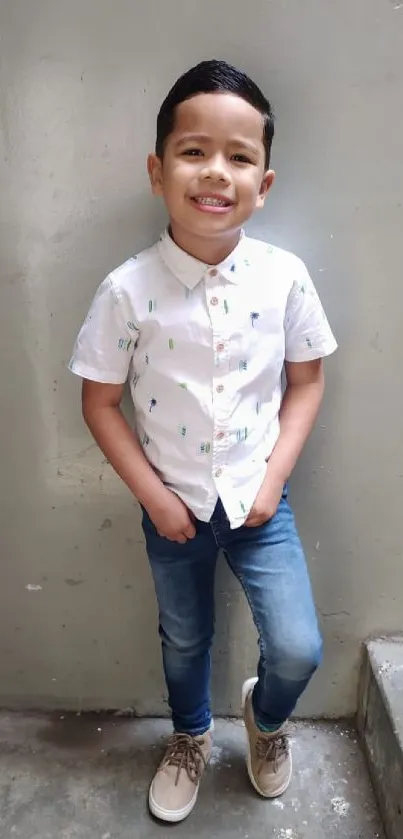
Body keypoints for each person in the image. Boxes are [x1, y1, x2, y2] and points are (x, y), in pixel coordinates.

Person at [69, 59, 337, 824]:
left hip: (261, 500)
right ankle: (188, 735)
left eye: (239, 156)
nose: (215, 172)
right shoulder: (128, 289)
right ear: (158, 171)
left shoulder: (283, 278)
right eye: (193, 151)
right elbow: (99, 400)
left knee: (297, 647)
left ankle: (265, 717)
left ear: (265, 181)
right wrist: (153, 497)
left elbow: (308, 381)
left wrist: (270, 479)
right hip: (172, 506)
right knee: (183, 639)